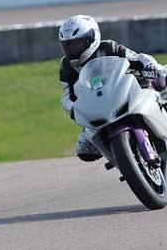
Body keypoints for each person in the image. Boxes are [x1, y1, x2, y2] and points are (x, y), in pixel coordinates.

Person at [58, 14, 166, 162]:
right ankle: (123, 158)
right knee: (83, 148)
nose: (71, 51)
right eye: (67, 46)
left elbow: (137, 58)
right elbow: (67, 96)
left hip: (128, 90)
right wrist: (73, 109)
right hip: (98, 106)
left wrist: (151, 67)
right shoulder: (66, 66)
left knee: (163, 78)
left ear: (91, 38)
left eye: (76, 44)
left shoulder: (109, 47)